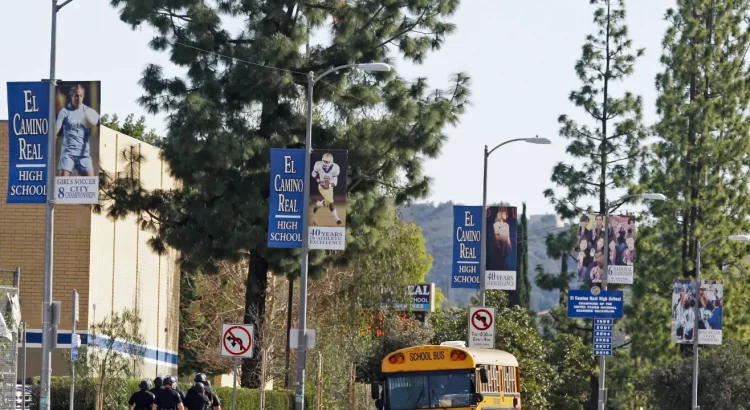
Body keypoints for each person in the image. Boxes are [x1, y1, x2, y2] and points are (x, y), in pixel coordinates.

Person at [54, 84, 100, 177]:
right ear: (71, 96)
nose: (79, 98)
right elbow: (58, 125)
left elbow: (100, 124)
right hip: (68, 154)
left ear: (83, 96)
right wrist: (54, 134)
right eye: (76, 95)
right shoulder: (64, 112)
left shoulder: (89, 112)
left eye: (81, 96)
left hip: (84, 154)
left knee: (91, 184)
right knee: (62, 183)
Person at [311, 152, 342, 225]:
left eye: (327, 162)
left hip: (329, 187)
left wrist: (329, 185)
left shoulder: (335, 168)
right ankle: (336, 218)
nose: (325, 163)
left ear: (331, 162)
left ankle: (319, 204)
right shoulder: (318, 165)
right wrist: (319, 181)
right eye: (324, 161)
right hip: (321, 187)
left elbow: (335, 183)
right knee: (331, 201)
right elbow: (313, 174)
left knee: (328, 202)